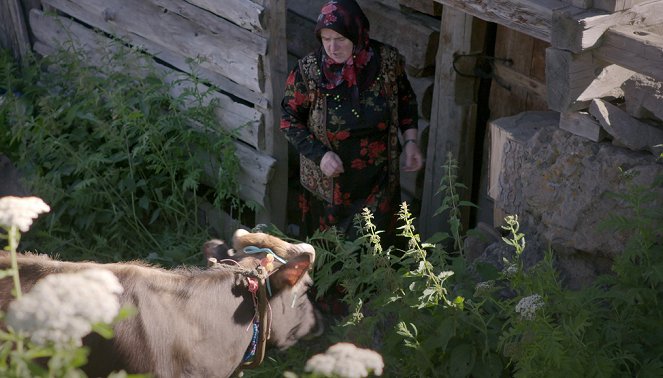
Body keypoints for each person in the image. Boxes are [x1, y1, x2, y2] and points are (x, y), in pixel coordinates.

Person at [280, 0, 423, 245]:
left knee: (376, 251)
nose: (332, 48)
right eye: (326, 39)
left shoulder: (387, 62)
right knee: (332, 257)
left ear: (357, 35)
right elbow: (288, 121)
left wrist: (411, 141)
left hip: (378, 182)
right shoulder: (308, 72)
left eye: (341, 39)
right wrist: (321, 155)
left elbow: (406, 100)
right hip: (329, 188)